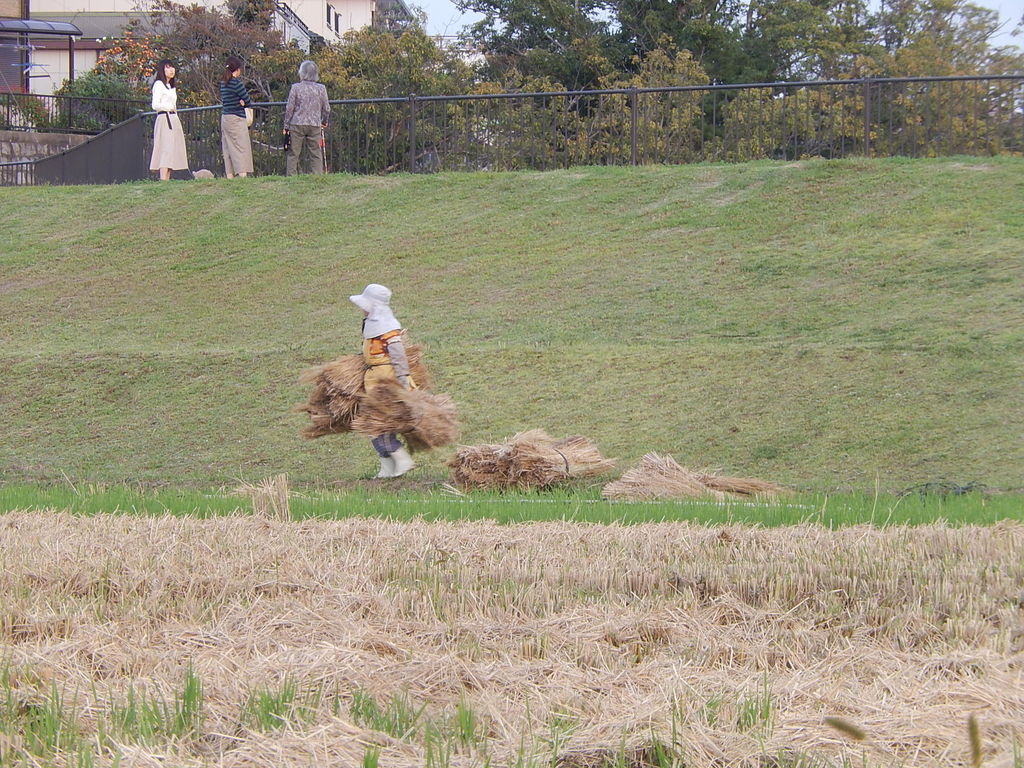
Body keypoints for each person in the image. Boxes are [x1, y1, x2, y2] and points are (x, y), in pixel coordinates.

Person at [350, 284, 416, 478]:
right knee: (371, 423)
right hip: (374, 378)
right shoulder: (372, 324)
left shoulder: (388, 329)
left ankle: (402, 458)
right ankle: (387, 466)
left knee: (378, 422)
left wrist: (403, 379)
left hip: (386, 380)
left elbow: (398, 355)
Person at [283, 60, 330, 176]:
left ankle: (291, 177)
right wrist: (324, 121)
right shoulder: (321, 88)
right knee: (315, 152)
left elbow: (290, 108)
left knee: (294, 153)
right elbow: (327, 108)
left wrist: (286, 125)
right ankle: (317, 176)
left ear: (302, 73)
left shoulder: (295, 88)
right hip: (314, 123)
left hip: (297, 123)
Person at [149, 60, 188, 180]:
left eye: (173, 67)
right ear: (162, 70)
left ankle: (168, 178)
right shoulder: (159, 85)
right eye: (168, 67)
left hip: (173, 118)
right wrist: (168, 108)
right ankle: (163, 179)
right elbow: (155, 105)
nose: (171, 70)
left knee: (173, 148)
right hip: (164, 118)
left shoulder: (171, 87)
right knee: (165, 148)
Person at [219, 55, 254, 178]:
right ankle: (242, 174)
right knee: (240, 146)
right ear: (237, 69)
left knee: (228, 147)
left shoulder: (223, 83)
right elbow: (248, 100)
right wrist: (243, 102)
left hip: (225, 117)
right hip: (236, 118)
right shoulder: (237, 83)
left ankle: (229, 174)